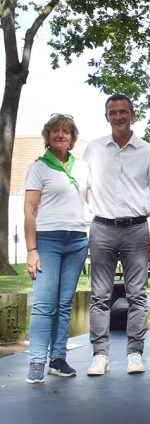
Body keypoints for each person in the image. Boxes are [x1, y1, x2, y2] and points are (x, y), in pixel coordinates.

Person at [84, 95, 150, 376]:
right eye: (113, 112)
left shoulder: (148, 151)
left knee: (137, 295)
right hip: (102, 228)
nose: (118, 117)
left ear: (133, 115)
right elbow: (83, 186)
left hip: (136, 229)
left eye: (123, 112)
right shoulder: (94, 149)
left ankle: (135, 353)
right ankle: (100, 355)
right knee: (100, 296)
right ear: (107, 116)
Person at [23, 114, 90, 383]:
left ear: (72, 138)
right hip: (47, 240)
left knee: (64, 304)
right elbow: (29, 211)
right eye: (55, 131)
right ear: (48, 137)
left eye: (66, 131)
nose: (60, 135)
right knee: (44, 304)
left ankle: (58, 359)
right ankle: (37, 361)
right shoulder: (38, 168)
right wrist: (31, 250)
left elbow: (93, 200)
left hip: (77, 240)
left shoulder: (82, 167)